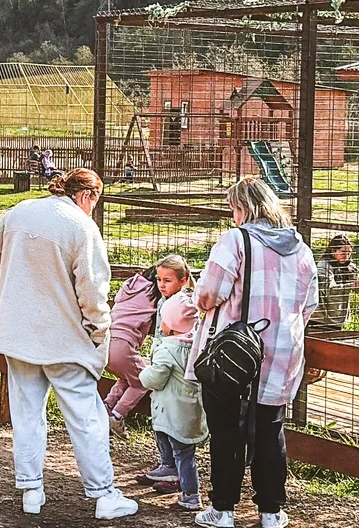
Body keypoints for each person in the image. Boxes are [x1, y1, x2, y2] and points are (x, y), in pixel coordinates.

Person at [0, 168, 139, 520]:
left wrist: (22, 273)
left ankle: (31, 488)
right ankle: (103, 494)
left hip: (18, 331)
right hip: (63, 337)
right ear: (88, 196)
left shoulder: (20, 210)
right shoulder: (82, 226)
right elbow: (93, 292)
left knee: (26, 412)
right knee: (85, 415)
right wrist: (99, 332)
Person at [187, 176, 318, 528]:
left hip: (235, 353)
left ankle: (223, 510)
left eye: (234, 209)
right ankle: (271, 512)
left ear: (244, 209)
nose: (233, 216)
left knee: (226, 430)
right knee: (270, 430)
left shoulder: (236, 240)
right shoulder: (301, 248)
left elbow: (209, 294)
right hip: (281, 352)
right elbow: (310, 305)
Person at [104, 254, 194, 439]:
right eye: (160, 280)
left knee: (127, 377)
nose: (162, 285)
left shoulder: (131, 285)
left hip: (105, 344)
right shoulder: (155, 296)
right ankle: (117, 416)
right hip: (122, 346)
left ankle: (105, 407)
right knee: (142, 383)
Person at [138, 290, 207, 511]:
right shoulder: (198, 344)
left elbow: (156, 378)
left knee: (183, 454)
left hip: (171, 411)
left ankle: (191, 495)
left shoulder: (168, 349)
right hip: (191, 410)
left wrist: (142, 373)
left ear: (171, 324)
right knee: (173, 442)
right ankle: (168, 468)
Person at [309, 234, 359, 332]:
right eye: (343, 252)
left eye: (349, 253)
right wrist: (352, 285)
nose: (346, 256)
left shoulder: (350, 267)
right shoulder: (324, 265)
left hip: (338, 317)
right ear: (333, 251)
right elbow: (328, 290)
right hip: (320, 317)